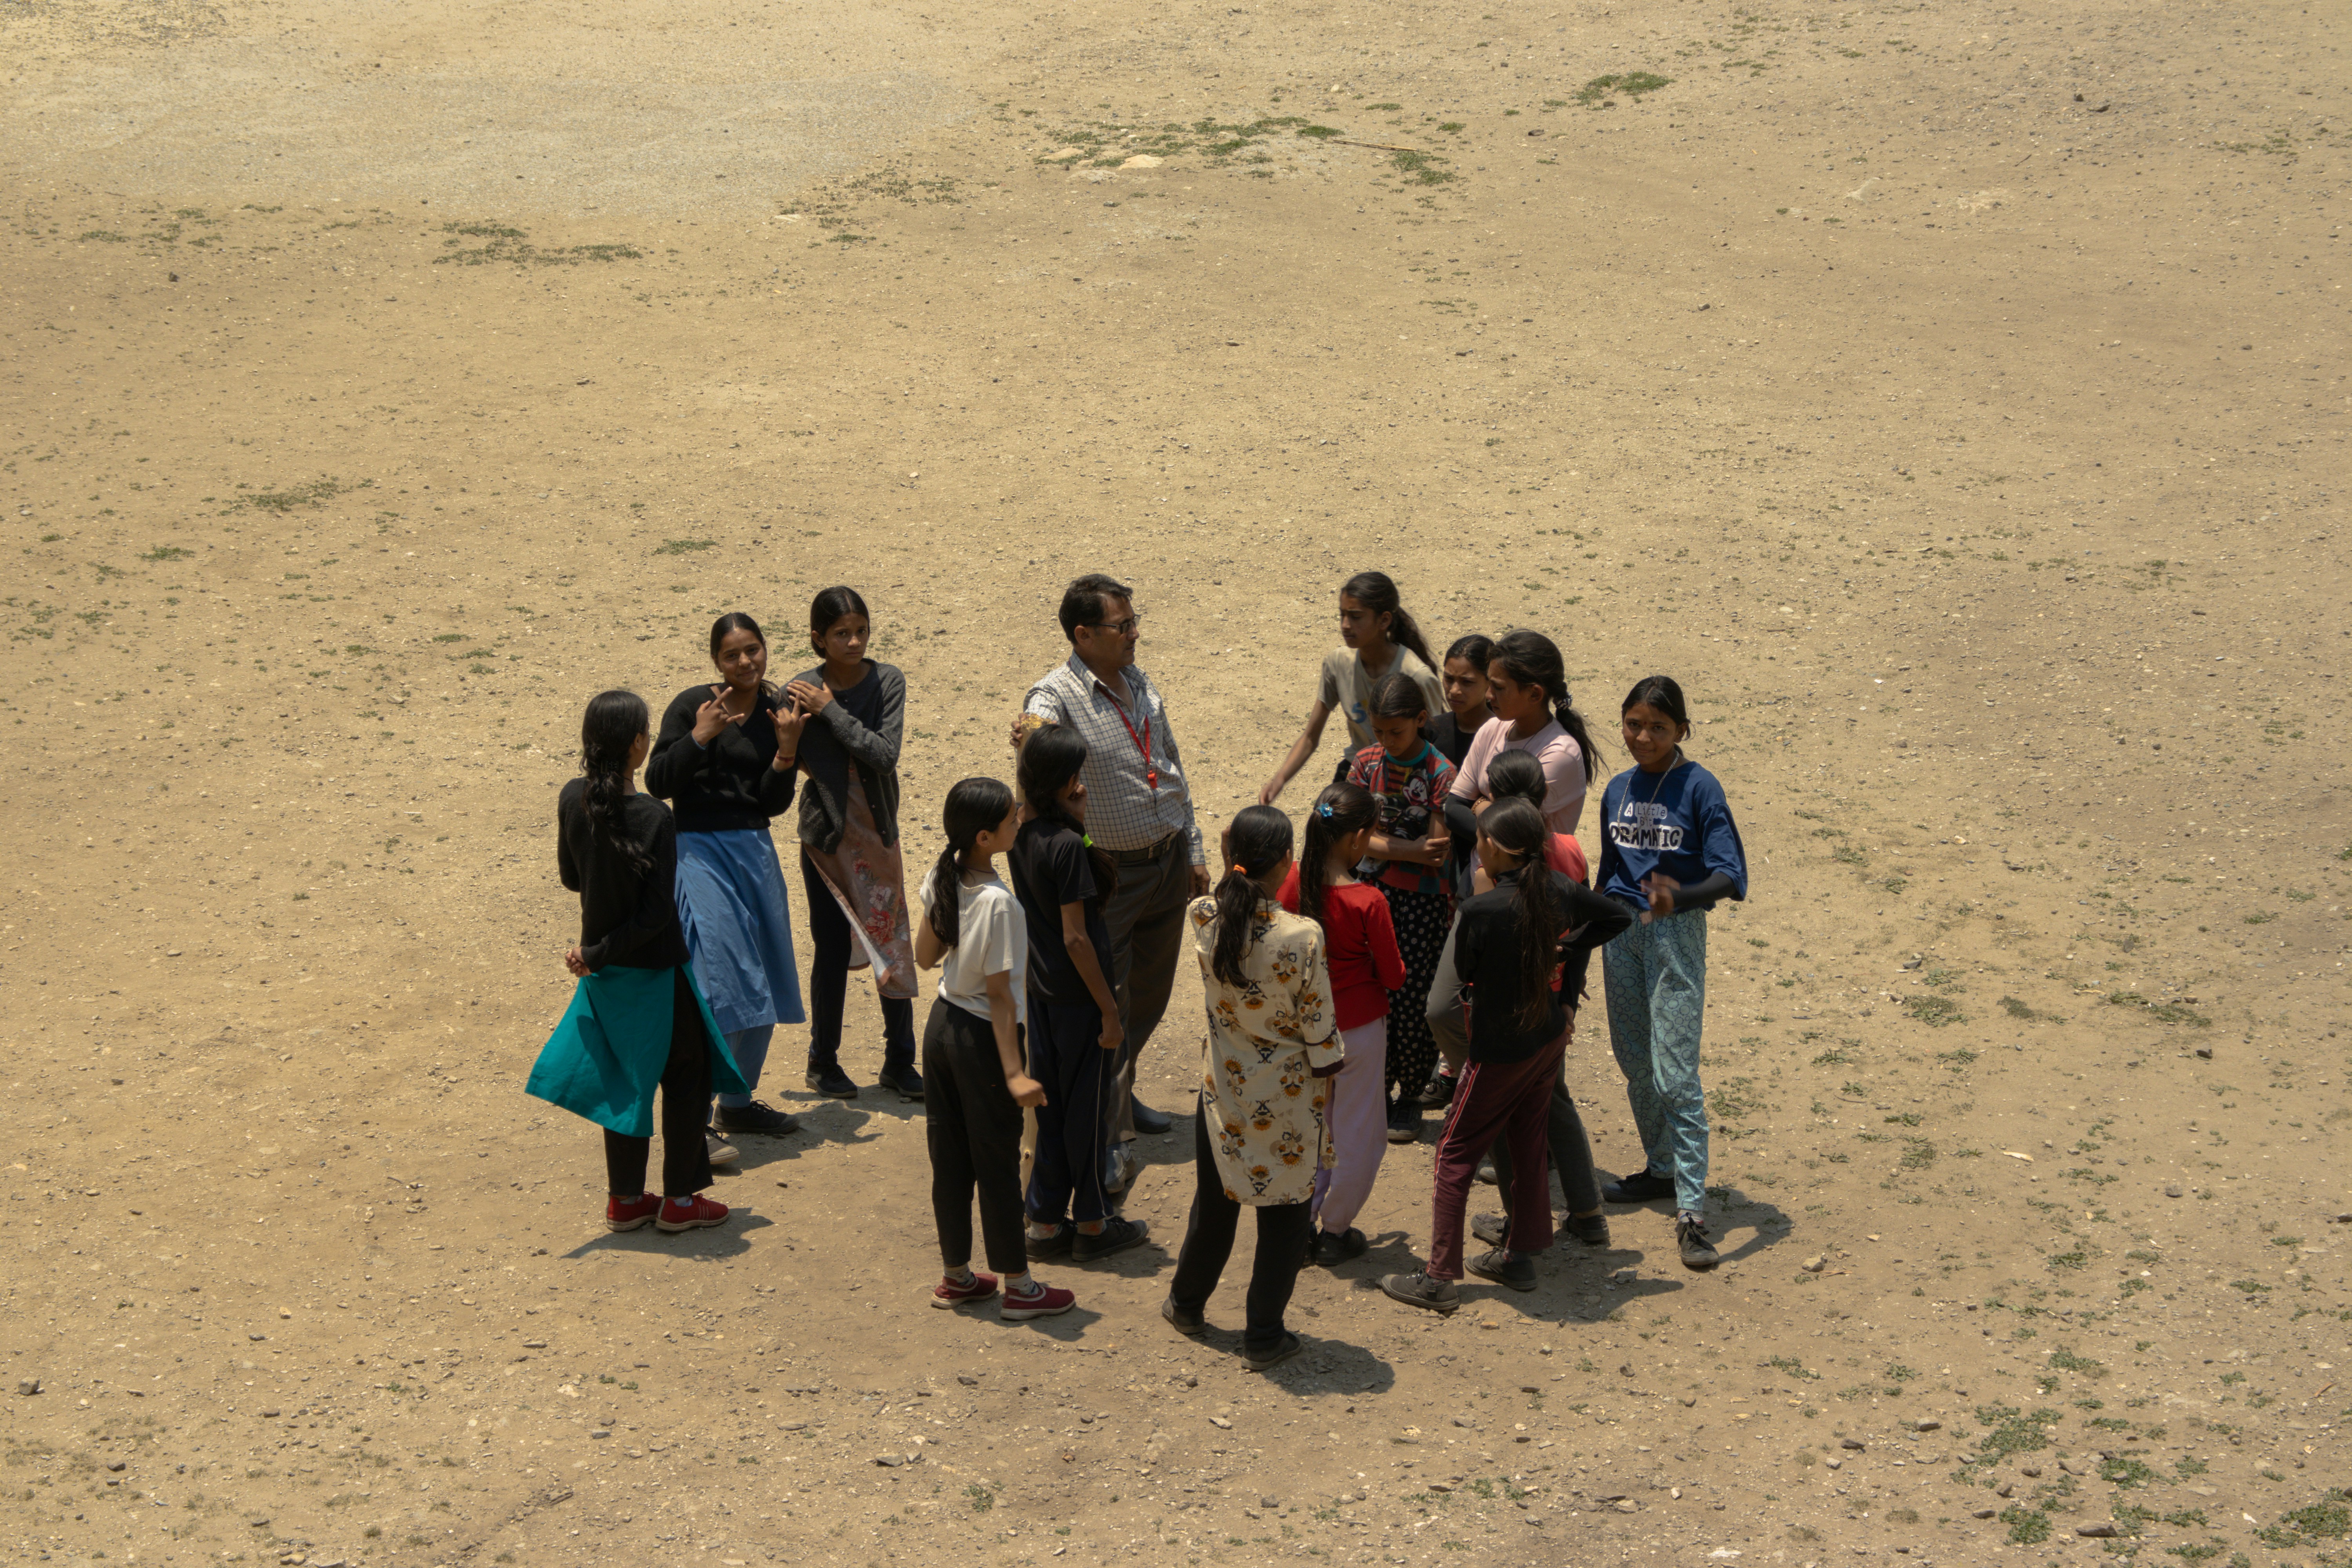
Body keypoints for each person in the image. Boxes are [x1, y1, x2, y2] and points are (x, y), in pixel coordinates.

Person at [1381, 800, 1629, 1312]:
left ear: (1495, 849)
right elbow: (1617, 916)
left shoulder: (1481, 910)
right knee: (1528, 1142)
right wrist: (1563, 951)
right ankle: (1519, 1255)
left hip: (1499, 1050)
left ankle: (1439, 1277)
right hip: (1548, 1041)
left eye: (1483, 841)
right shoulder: (1558, 890)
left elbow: (1466, 975)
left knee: (1453, 1152)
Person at [528, 690, 745, 1236]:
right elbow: (654, 917)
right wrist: (600, 950)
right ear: (638, 747)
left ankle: (625, 1200)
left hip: (607, 981)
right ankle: (678, 1200)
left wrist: (598, 949)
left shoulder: (572, 798)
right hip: (655, 975)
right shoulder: (654, 818)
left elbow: (572, 878)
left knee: (624, 1086)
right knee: (688, 1079)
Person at [1018, 573, 1208, 1162]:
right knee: (1112, 999)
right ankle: (1108, 1137)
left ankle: (1116, 1099)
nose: (1134, 634)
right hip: (1111, 875)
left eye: (1133, 622)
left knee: (1149, 993)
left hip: (1168, 859)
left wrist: (1194, 846)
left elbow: (1170, 763)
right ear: (1083, 634)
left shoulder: (1139, 682)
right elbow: (1034, 736)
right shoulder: (1055, 696)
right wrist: (1029, 735)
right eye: (1121, 625)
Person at [1163, 806, 1343, 1370]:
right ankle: (1263, 1335)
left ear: (1230, 856)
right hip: (1287, 1103)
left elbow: (1218, 892)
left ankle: (1186, 1305)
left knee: (1215, 1209)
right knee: (1285, 1219)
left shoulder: (1204, 918)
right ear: (1287, 862)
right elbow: (1321, 1035)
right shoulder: (1302, 937)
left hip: (1223, 1094)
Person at [1595, 675, 1750, 1272]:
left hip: (1676, 935)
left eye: (1659, 727)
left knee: (1675, 1073)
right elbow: (1607, 873)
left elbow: (1730, 877)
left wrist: (1676, 899)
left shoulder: (1700, 787)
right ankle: (1661, 1169)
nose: (1644, 737)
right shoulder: (1617, 790)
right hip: (1622, 933)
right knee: (1635, 1058)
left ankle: (1692, 1212)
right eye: (1634, 724)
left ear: (1682, 730)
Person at [643, 613, 809, 1153]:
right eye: (733, 655)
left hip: (754, 851)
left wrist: (787, 752)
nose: (745, 662)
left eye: (753, 651)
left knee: (764, 976)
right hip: (699, 851)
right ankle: (696, 1119)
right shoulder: (696, 704)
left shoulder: (779, 709)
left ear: (766, 650)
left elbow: (771, 805)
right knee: (722, 983)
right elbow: (659, 781)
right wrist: (699, 736)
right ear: (717, 660)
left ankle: (736, 1104)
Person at [913, 776, 1076, 1320]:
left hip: (940, 1030)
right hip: (982, 1040)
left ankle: (957, 1276)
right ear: (986, 837)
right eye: (1011, 817)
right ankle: (1019, 1287)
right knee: (999, 1165)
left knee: (950, 1160)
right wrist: (1014, 1073)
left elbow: (924, 956)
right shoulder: (1001, 905)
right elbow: (1003, 997)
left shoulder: (945, 877)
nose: (1020, 816)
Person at [1006, 725, 1152, 1263]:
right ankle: (1092, 1223)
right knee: (1088, 1116)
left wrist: (1078, 822)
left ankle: (1044, 1221)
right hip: (1078, 1001)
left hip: (1040, 996)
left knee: (1051, 1111)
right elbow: (1076, 936)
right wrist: (1110, 1010)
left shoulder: (1022, 832)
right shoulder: (1068, 848)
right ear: (1067, 781)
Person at [788, 586, 920, 1102]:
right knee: (829, 948)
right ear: (819, 639)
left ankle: (900, 1061)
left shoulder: (887, 681)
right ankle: (823, 1063)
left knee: (892, 942)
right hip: (826, 843)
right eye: (842, 634)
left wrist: (831, 712)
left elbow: (884, 755)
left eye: (861, 630)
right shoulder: (797, 691)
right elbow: (788, 755)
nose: (854, 641)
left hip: (879, 837)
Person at [1276, 783, 1403, 1265]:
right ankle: (1335, 1229)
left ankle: (1298, 1223)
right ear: (1356, 840)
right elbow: (1394, 975)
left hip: (1300, 1029)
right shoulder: (1368, 900)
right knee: (1357, 1134)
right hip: (1358, 1030)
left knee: (1308, 1128)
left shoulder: (1288, 881)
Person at [1344, 672, 1456, 1143]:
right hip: (1368, 897)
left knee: (1411, 999)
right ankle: (1376, 1090)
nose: (1387, 742)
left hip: (1421, 904)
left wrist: (1380, 845)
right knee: (1370, 995)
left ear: (1420, 720)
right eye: (1380, 731)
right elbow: (1348, 835)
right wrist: (1404, 851)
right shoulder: (1364, 763)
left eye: (1397, 732)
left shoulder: (1440, 772)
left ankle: (1410, 1094)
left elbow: (1437, 847)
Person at [1258, 570, 1446, 804]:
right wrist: (1280, 779)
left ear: (1384, 620)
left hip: (1406, 777)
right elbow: (1310, 736)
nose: (1345, 626)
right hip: (1358, 770)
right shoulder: (1337, 664)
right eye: (1343, 615)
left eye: (1356, 617)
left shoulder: (1417, 676)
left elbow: (1439, 745)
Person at [1448, 628, 1602, 837]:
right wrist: (1488, 808)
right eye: (1489, 684)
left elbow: (1512, 835)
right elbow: (1454, 807)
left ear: (1534, 694)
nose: (1488, 695)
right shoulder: (1491, 729)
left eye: (1499, 688)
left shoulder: (1560, 754)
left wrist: (1476, 804)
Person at [1426, 633, 1496, 770]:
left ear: (1489, 682)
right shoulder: (1431, 731)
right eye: (1449, 679)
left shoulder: (1504, 735)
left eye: (1467, 682)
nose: (1454, 691)